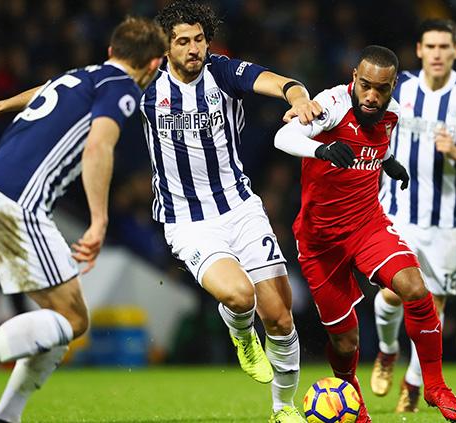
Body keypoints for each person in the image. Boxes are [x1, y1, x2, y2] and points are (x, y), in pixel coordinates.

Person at [0, 17, 166, 423]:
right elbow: (99, 148)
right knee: (72, 320)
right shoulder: (122, 88)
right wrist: (100, 220)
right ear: (154, 64)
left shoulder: (82, 75)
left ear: (110, 52)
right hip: (18, 202)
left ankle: (6, 417)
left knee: (64, 321)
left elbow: (45, 91)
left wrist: (1, 104)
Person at [144, 2, 321, 421]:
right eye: (183, 42)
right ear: (166, 48)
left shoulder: (222, 73)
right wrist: (4, 105)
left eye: (199, 39)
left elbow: (276, 81)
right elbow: (75, 89)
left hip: (240, 209)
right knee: (240, 296)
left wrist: (297, 94)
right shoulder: (145, 81)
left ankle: (284, 408)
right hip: (188, 222)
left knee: (280, 316)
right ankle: (242, 334)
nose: (193, 49)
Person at [274, 45, 456, 422]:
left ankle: (435, 386)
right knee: (346, 342)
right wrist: (322, 149)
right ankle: (356, 408)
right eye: (365, 85)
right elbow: (284, 139)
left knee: (414, 287)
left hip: (367, 225)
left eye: (381, 88)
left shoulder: (392, 113)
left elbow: (375, 143)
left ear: (393, 85)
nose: (372, 96)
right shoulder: (329, 105)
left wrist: (386, 161)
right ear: (354, 77)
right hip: (320, 243)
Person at [370, 19, 456, 414]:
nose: (438, 53)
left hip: (446, 223)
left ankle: (413, 381)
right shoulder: (401, 86)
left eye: (445, 46)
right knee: (392, 294)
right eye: (431, 46)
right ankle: (387, 351)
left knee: (433, 307)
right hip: (396, 212)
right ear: (419, 50)